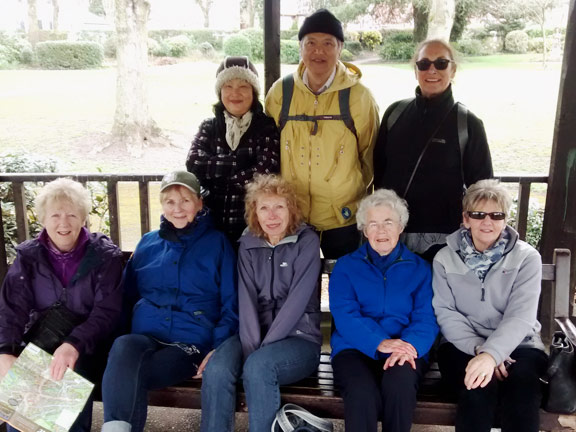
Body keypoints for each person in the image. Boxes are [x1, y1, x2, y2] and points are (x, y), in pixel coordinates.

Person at [100, 171, 238, 432]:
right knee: (123, 346)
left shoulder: (217, 244)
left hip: (190, 342)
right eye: (170, 202)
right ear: (162, 206)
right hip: (146, 334)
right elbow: (127, 296)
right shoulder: (148, 243)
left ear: (199, 203)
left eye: (185, 200)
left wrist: (219, 346)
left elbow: (231, 302)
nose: (178, 209)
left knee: (132, 374)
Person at [199, 174, 322, 432]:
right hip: (252, 336)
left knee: (258, 367)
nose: (272, 215)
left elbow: (296, 304)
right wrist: (251, 347)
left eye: (279, 206)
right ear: (255, 212)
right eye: (264, 208)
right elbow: (246, 299)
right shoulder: (248, 243)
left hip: (299, 337)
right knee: (218, 369)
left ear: (292, 209)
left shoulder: (307, 241)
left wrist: (260, 351)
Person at [0, 178, 123, 432]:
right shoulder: (29, 256)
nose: (63, 223)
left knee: (67, 387)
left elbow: (107, 312)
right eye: (55, 215)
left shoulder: (104, 256)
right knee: (22, 412)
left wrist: (73, 344)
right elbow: (12, 308)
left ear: (83, 218)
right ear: (43, 218)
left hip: (88, 345)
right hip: (41, 342)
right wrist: (5, 351)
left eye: (71, 214)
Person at [432, 179, 548, 432]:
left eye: (497, 215)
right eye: (478, 214)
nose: (487, 221)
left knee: (522, 391)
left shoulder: (526, 257)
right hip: (462, 344)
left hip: (520, 343)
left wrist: (493, 353)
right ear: (466, 219)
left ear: (505, 219)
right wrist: (482, 351)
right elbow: (446, 312)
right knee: (476, 390)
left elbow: (521, 316)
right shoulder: (444, 258)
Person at [265, 9, 380, 259]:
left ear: (340, 48)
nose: (319, 51)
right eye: (311, 43)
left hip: (343, 217)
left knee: (345, 290)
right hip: (292, 214)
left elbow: (369, 155)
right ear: (300, 48)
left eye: (328, 43)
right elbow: (268, 150)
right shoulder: (280, 93)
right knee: (295, 292)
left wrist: (351, 192)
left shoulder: (359, 96)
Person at [329, 189, 439, 432]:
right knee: (360, 393)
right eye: (373, 224)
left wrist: (409, 346)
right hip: (353, 347)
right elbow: (344, 314)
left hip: (405, 347)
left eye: (388, 222)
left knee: (400, 384)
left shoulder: (420, 269)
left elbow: (426, 318)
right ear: (364, 230)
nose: (381, 231)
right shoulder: (346, 267)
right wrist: (379, 341)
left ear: (400, 227)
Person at [374, 39, 493, 261]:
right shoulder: (395, 114)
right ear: (415, 70)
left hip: (443, 240)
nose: (432, 70)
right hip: (393, 234)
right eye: (424, 64)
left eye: (441, 63)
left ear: (453, 69)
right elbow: (379, 173)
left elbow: (483, 189)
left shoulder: (467, 124)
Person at [187, 56, 280, 247]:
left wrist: (218, 178)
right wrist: (240, 163)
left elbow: (265, 171)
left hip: (253, 227)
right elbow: (194, 164)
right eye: (228, 86)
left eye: (243, 86)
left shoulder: (266, 126)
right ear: (219, 92)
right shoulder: (209, 126)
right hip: (212, 225)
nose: (235, 93)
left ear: (253, 92)